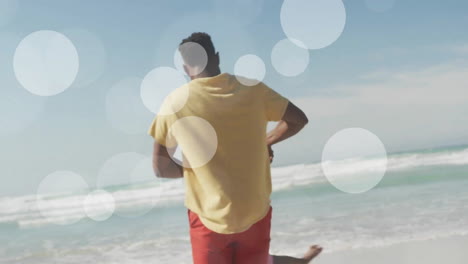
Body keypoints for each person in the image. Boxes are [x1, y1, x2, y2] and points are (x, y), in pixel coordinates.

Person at [148, 32, 309, 264]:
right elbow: (298, 120)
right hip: (254, 212)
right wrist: (265, 142)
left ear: (185, 68)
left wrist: (195, 167)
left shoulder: (174, 104)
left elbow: (161, 169)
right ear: (217, 57)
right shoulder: (252, 89)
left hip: (207, 219)